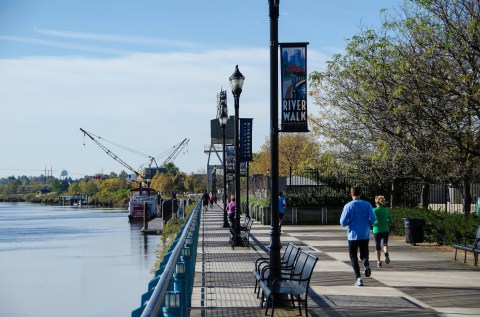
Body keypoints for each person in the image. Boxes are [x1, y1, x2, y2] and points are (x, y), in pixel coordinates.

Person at [340, 186, 376, 287]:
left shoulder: (348, 206)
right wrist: (368, 224)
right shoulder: (367, 204)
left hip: (353, 235)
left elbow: (342, 222)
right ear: (360, 194)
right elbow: (373, 218)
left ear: (351, 194)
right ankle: (366, 264)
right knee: (364, 254)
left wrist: (349, 222)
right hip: (364, 234)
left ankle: (359, 278)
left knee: (353, 257)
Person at [372, 195, 393, 267]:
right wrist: (385, 221)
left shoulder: (374, 210)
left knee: (377, 246)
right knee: (385, 243)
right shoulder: (386, 210)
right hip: (385, 229)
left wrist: (374, 223)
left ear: (376, 202)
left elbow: (371, 220)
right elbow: (390, 220)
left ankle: (379, 261)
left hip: (376, 230)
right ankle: (386, 253)